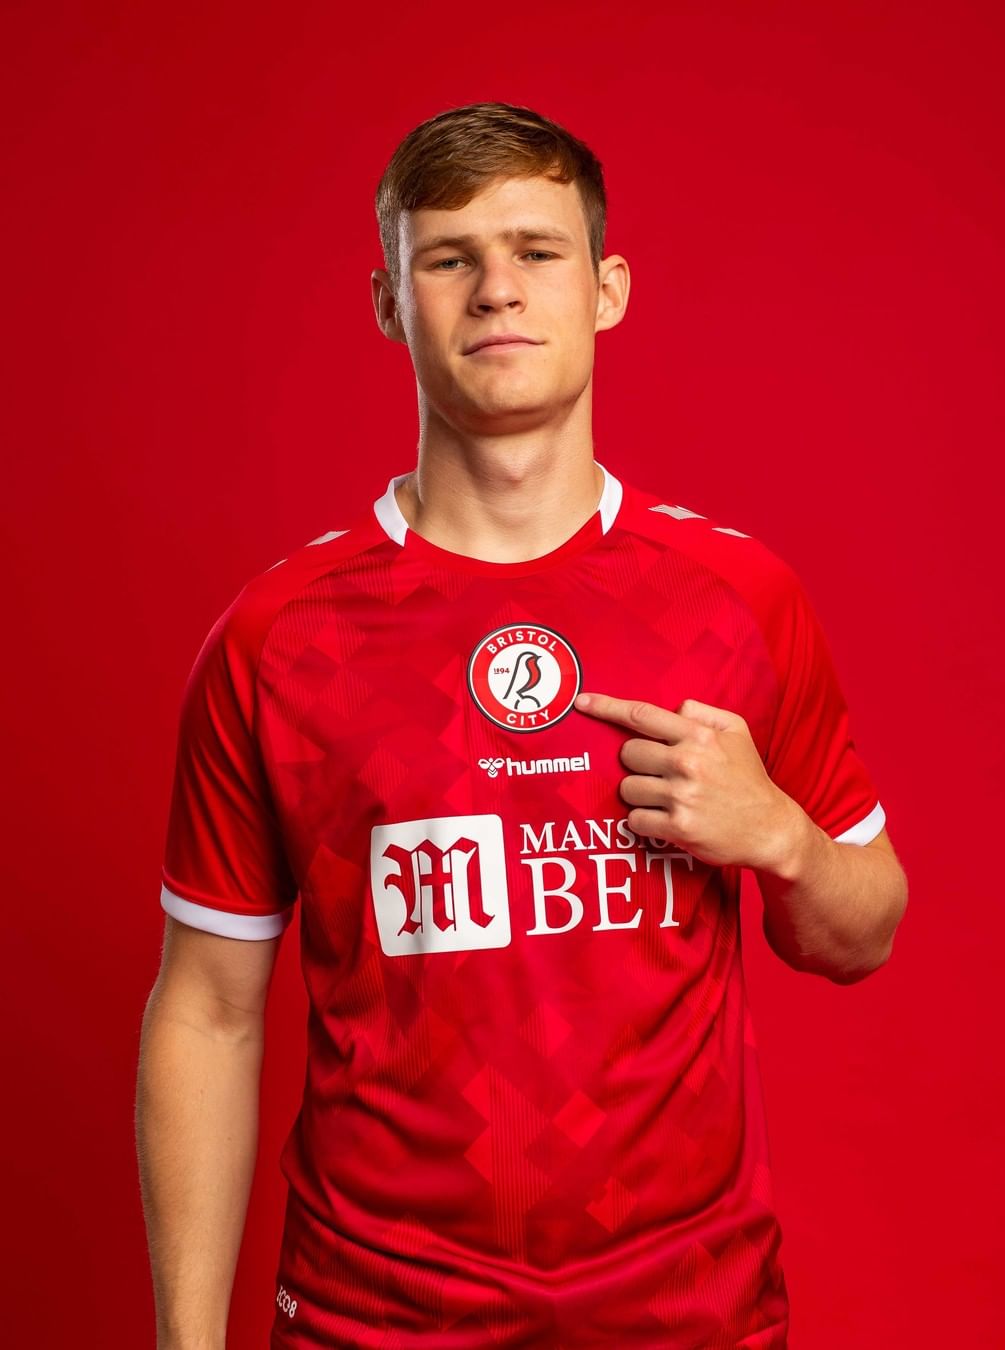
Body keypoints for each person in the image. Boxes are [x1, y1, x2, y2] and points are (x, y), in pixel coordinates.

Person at [136, 101, 908, 1350]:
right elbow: (209, 1011)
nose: (497, 288)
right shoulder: (278, 636)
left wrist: (783, 837)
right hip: (375, 1318)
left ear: (607, 289)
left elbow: (864, 929)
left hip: (689, 1316)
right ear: (390, 302)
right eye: (450, 258)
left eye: (536, 250)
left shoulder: (737, 598)